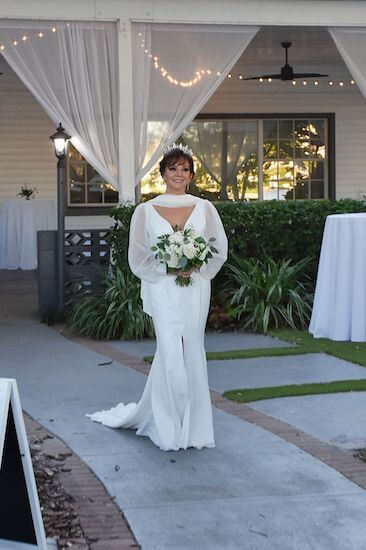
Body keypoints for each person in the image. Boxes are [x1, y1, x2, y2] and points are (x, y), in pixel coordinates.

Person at [87, 144, 228, 451]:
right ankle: (167, 424)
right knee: (169, 348)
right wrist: (169, 265)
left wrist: (196, 265)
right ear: (162, 172)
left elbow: (218, 247)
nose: (179, 174)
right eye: (173, 168)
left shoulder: (205, 208)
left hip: (195, 288)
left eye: (185, 169)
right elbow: (138, 256)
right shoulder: (145, 210)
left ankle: (194, 427)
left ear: (192, 175)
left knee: (192, 348)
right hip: (163, 287)